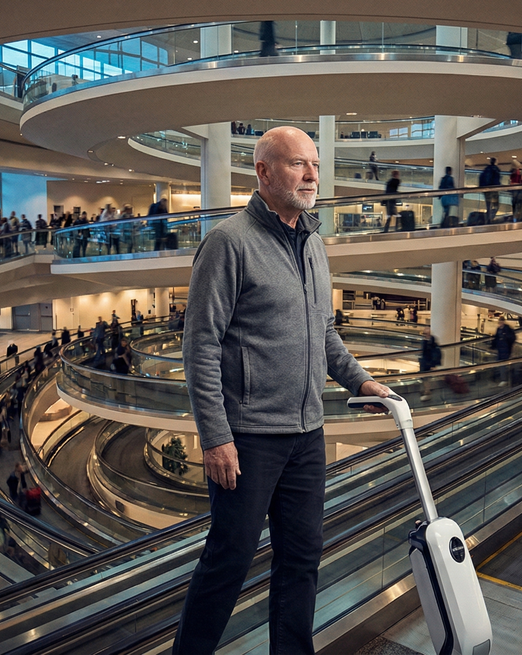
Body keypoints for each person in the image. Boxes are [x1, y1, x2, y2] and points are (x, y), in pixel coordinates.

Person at [176, 126, 389, 654]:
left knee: (302, 559)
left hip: (307, 435)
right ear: (264, 172)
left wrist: (359, 379)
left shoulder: (313, 243)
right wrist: (215, 437)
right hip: (248, 440)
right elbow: (200, 346)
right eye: (298, 164)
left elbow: (325, 332)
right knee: (228, 560)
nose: (312, 175)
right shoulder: (229, 243)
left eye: (314, 164)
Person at [491, 317, 517, 386]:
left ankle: (504, 379)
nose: (500, 323)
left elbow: (511, 338)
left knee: (503, 365)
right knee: (499, 363)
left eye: (501, 322)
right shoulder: (499, 329)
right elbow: (496, 338)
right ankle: (499, 378)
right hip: (500, 349)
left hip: (505, 350)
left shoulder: (507, 329)